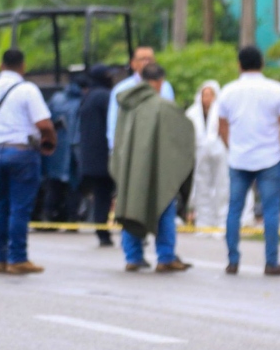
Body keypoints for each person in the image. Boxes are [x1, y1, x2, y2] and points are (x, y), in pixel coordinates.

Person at [0, 49, 56, 275]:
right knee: (20, 207)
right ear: (23, 66)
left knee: (1, 205)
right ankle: (17, 258)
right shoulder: (28, 90)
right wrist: (51, 142)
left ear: (1, 65)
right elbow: (44, 124)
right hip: (22, 153)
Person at [217, 47, 280, 276]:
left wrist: (233, 149)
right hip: (270, 158)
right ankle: (271, 262)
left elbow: (222, 127)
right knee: (271, 211)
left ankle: (233, 261)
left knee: (234, 210)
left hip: (239, 159)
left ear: (239, 64)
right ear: (261, 63)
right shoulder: (275, 89)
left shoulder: (228, 91)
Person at [110, 63, 195, 273]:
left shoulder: (127, 105)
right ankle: (166, 257)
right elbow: (183, 134)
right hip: (158, 170)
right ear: (158, 81)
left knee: (132, 207)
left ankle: (133, 257)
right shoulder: (163, 106)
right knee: (164, 206)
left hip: (131, 170)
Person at [186, 80, 254, 233]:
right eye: (205, 94)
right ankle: (204, 223)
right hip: (200, 154)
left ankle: (222, 221)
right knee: (201, 187)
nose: (207, 98)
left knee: (222, 187)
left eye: (210, 94)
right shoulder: (192, 113)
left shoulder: (222, 110)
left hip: (220, 152)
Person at [107, 45, 174, 150]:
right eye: (143, 59)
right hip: (130, 146)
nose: (147, 62)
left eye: (150, 59)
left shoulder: (165, 87)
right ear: (133, 64)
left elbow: (170, 117)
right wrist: (114, 149)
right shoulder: (121, 89)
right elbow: (113, 122)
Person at [78, 65, 115, 246]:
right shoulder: (104, 97)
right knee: (105, 195)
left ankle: (102, 231)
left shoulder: (88, 97)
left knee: (101, 196)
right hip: (105, 157)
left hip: (90, 157)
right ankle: (105, 233)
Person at [41, 76, 83, 224]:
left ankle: (48, 215)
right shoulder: (82, 101)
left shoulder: (57, 98)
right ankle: (72, 218)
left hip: (56, 149)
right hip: (73, 149)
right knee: (74, 186)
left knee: (54, 184)